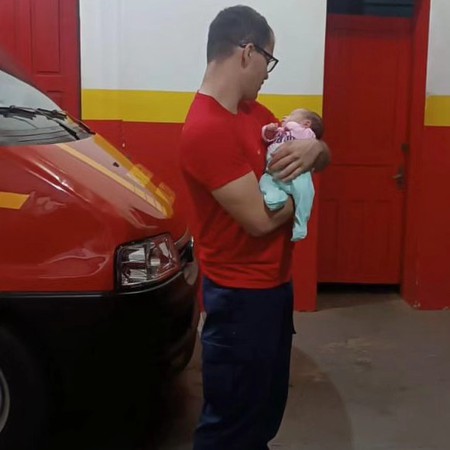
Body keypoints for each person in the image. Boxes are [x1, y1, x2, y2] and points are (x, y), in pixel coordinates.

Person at [179, 6, 330, 450]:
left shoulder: (254, 112)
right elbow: (261, 220)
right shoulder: (206, 129)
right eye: (269, 60)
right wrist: (305, 194)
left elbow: (310, 148)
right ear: (248, 53)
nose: (268, 73)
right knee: (230, 425)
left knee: (263, 412)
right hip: (240, 300)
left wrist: (317, 151)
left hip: (273, 289)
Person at [260, 108, 324, 241]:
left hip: (295, 172)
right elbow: (267, 138)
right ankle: (275, 198)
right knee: (265, 182)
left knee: (304, 192)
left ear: (306, 124)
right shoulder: (282, 132)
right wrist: (269, 130)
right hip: (272, 171)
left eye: (292, 115)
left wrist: (288, 124)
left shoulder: (307, 134)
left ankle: (301, 224)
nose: (286, 117)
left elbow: (299, 132)